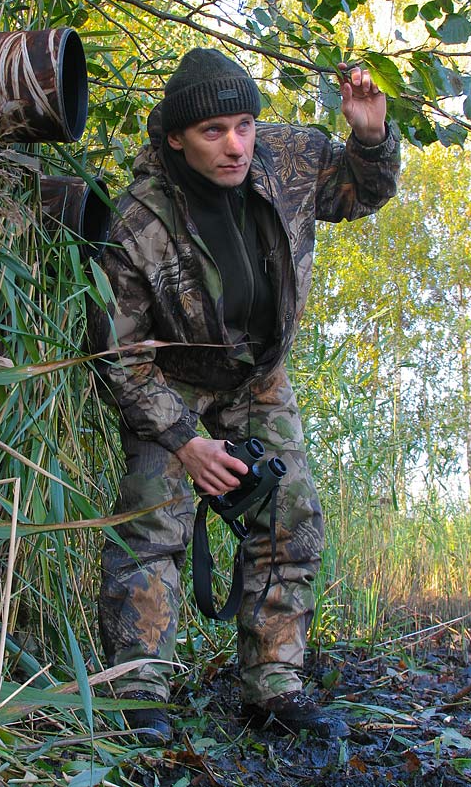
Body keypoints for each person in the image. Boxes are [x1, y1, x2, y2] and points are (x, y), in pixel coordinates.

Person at [88, 48, 401, 745]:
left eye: (243, 125)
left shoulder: (284, 155)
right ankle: (137, 690)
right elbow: (118, 353)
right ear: (174, 137)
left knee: (291, 521)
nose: (234, 146)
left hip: (258, 375)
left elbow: (361, 192)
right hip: (170, 382)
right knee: (152, 525)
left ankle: (273, 686)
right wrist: (186, 442)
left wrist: (370, 137)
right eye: (212, 132)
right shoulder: (137, 221)